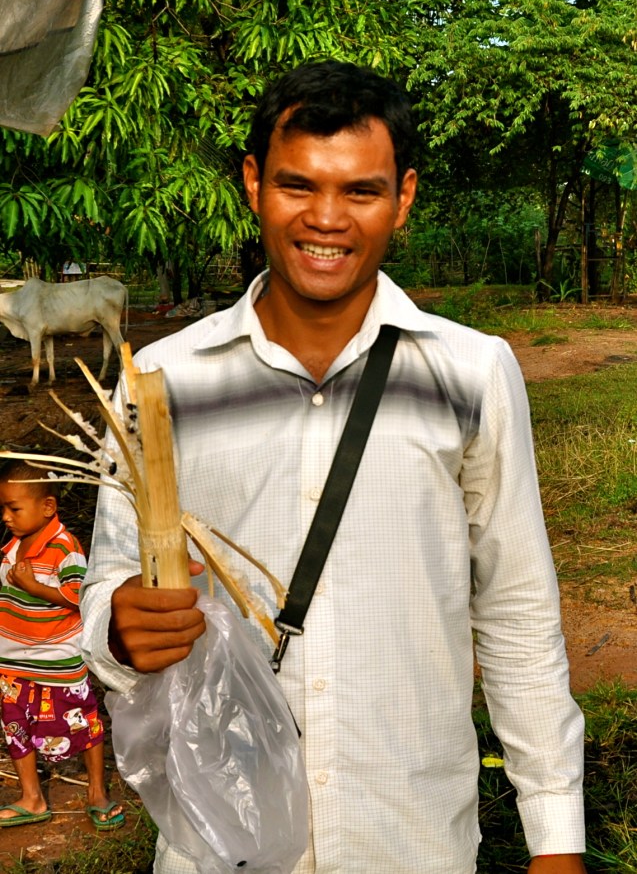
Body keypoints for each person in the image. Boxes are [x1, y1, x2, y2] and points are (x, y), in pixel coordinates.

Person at [80, 61, 587, 874]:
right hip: (224, 844)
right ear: (253, 183)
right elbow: (108, 581)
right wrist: (118, 624)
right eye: (297, 184)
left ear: (403, 197)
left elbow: (516, 608)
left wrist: (555, 837)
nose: (325, 217)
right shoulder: (161, 383)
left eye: (360, 190)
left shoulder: (470, 373)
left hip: (411, 837)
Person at [0, 460, 125, 831]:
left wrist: (34, 587)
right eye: (3, 508)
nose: (6, 516)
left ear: (48, 507)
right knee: (15, 727)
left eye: (14, 508)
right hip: (12, 662)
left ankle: (96, 793)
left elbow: (79, 598)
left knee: (83, 724)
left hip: (58, 662)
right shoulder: (11, 547)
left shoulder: (65, 549)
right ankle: (32, 797)